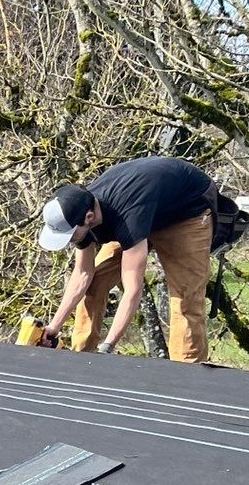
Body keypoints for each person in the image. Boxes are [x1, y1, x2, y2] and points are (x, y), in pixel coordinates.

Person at [36, 155, 217, 362]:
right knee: (96, 283)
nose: (69, 241)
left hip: (186, 212)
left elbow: (132, 290)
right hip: (145, 208)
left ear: (89, 218)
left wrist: (108, 346)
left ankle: (187, 374)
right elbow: (83, 274)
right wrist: (53, 327)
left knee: (186, 297)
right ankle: (81, 358)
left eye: (70, 236)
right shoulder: (80, 211)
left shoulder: (126, 218)